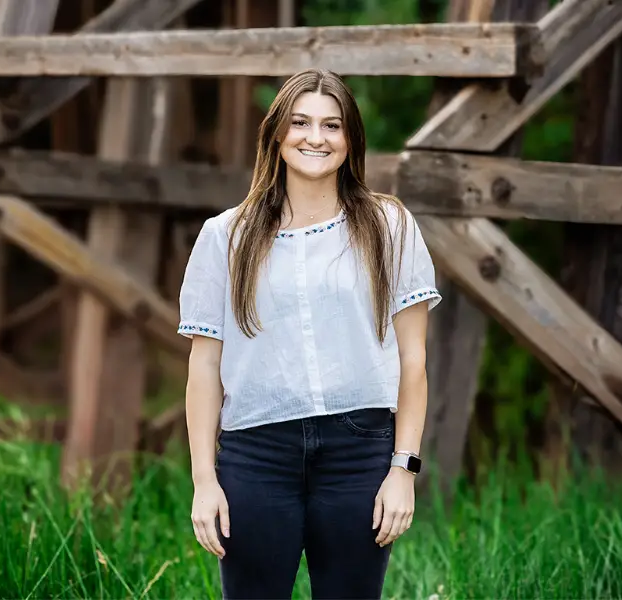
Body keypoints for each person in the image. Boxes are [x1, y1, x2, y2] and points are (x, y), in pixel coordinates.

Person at [178, 68, 441, 600]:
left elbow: (413, 360)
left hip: (360, 451)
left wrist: (403, 470)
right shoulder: (225, 236)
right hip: (256, 454)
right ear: (277, 135)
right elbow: (204, 367)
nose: (315, 138)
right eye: (300, 123)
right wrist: (205, 481)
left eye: (332, 125)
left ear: (351, 139)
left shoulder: (389, 226)